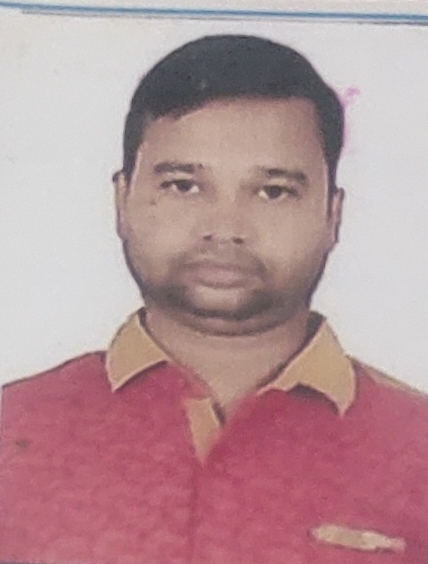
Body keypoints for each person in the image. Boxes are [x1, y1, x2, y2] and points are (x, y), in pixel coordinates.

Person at [1, 34, 427, 564]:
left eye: (273, 191)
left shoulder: (418, 448)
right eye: (183, 185)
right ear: (122, 201)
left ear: (332, 216)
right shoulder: (12, 431)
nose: (225, 229)